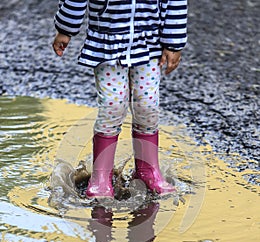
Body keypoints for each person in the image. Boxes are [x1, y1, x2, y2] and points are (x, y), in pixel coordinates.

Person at [52, 0, 187, 198]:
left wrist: (174, 42)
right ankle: (101, 176)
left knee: (147, 106)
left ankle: (147, 171)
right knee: (112, 105)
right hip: (107, 43)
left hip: (149, 44)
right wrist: (66, 29)